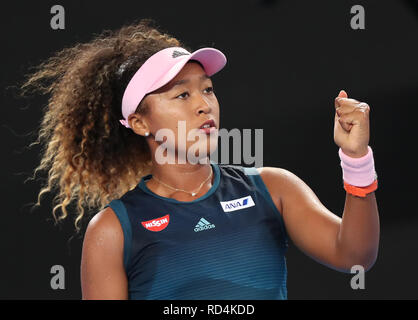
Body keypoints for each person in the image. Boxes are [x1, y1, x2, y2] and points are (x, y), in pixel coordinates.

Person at [21, 19, 379, 300]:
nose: (203, 104)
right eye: (181, 95)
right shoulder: (113, 229)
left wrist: (356, 157)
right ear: (140, 122)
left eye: (207, 89)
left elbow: (355, 257)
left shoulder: (273, 187)